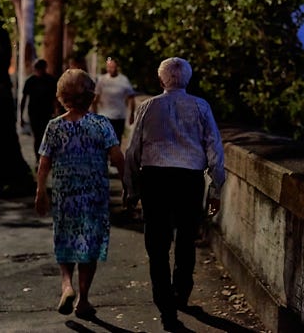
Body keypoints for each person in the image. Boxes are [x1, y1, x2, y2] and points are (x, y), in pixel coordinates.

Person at [124, 57, 225, 332]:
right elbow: (215, 149)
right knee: (185, 238)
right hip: (189, 180)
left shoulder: (148, 107)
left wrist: (131, 189)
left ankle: (165, 303)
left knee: (156, 245)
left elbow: (133, 151)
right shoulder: (201, 106)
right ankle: (180, 292)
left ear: (161, 81)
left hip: (155, 179)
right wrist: (216, 188)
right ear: (188, 80)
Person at [35, 69, 125, 319]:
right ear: (90, 96)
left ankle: (66, 285)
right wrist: (128, 184)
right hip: (94, 194)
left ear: (62, 96)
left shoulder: (54, 126)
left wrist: (41, 191)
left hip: (65, 194)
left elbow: (44, 163)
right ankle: (83, 300)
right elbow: (117, 157)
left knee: (64, 237)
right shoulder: (101, 124)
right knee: (89, 244)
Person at [20, 59, 58, 163]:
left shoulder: (51, 81)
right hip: (34, 113)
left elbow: (56, 99)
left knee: (46, 136)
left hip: (46, 112)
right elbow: (24, 99)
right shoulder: (30, 81)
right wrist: (21, 117)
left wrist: (56, 111)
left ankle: (45, 157)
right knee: (37, 137)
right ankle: (38, 159)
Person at [93, 57, 136, 143]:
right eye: (109, 67)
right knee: (104, 142)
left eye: (113, 67)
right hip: (104, 116)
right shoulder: (102, 80)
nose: (111, 69)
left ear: (117, 67)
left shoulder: (124, 80)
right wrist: (94, 115)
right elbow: (96, 98)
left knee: (116, 141)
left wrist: (131, 114)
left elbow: (131, 98)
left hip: (119, 116)